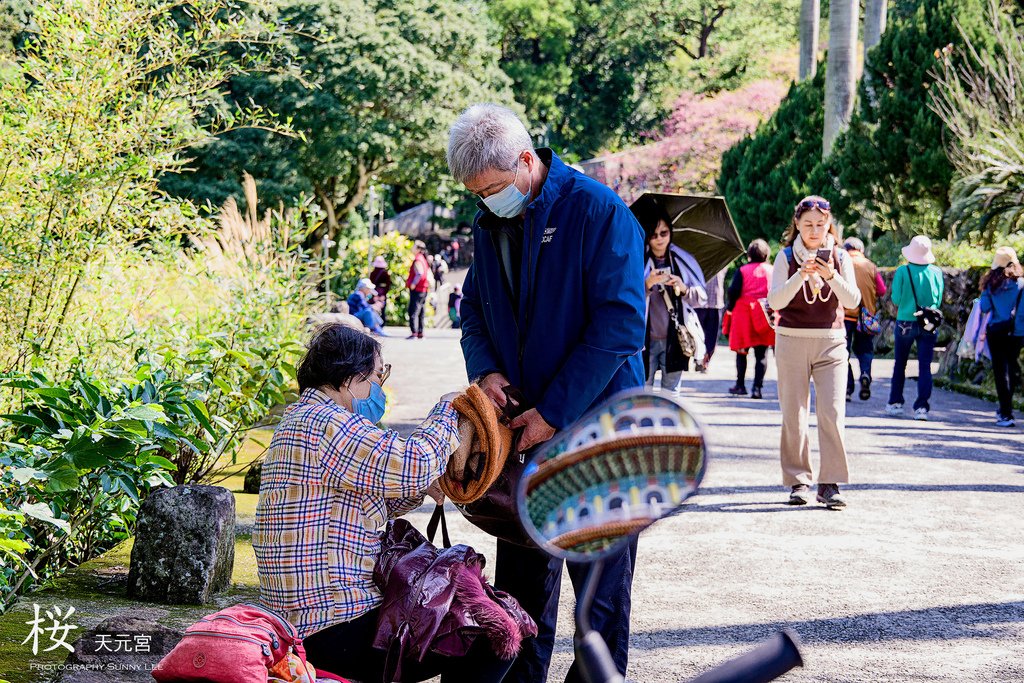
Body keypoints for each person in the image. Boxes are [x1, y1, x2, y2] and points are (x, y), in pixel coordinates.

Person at [447, 103, 646, 683]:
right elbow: (475, 312)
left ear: (527, 161)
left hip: (598, 430)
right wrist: (486, 372)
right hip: (522, 438)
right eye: (476, 193)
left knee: (599, 595)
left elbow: (620, 326)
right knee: (521, 594)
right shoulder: (490, 224)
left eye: (495, 187)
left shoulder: (598, 210)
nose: (487, 200)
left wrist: (553, 412)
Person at [253, 324, 512, 682]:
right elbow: (414, 462)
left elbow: (376, 497)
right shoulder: (329, 425)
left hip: (300, 622)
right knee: (493, 629)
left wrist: (425, 486)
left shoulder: (297, 422)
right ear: (349, 377)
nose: (379, 389)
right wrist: (448, 409)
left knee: (467, 623)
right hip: (334, 627)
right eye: (377, 376)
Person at [767, 196, 861, 509]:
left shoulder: (840, 256)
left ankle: (830, 483)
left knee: (832, 413)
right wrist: (801, 275)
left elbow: (852, 301)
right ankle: (798, 481)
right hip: (791, 340)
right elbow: (777, 302)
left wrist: (831, 274)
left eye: (820, 224)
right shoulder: (784, 256)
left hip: (831, 341)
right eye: (808, 224)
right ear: (796, 224)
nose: (814, 230)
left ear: (829, 225)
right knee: (794, 415)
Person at [631, 196, 708, 392]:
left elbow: (701, 298)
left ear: (670, 232)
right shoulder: (637, 259)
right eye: (653, 234)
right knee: (643, 390)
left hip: (675, 337)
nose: (659, 239)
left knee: (671, 393)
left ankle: (668, 425)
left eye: (663, 233)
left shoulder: (683, 259)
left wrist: (683, 288)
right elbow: (626, 297)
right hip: (644, 339)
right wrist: (647, 284)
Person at [886, 235, 944, 421]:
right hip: (928, 323)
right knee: (925, 366)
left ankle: (895, 403)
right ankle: (922, 408)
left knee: (900, 363)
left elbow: (895, 298)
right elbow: (939, 298)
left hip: (905, 321)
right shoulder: (936, 272)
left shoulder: (903, 271)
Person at [979, 246, 1024, 427]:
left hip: (997, 330)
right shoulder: (1021, 284)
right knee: (1012, 367)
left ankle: (1005, 412)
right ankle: (1007, 409)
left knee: (1000, 370)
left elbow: (984, 307)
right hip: (1017, 332)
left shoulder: (991, 283)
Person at [726, 239, 775, 399]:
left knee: (742, 351)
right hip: (764, 314)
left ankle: (740, 385)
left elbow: (733, 291)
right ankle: (757, 388)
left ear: (749, 254)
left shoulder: (743, 270)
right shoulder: (772, 270)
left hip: (744, 314)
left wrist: (730, 308)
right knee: (761, 354)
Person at [841, 237, 886, 402]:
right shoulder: (870, 266)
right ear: (861, 250)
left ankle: (847, 388)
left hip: (844, 315)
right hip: (866, 317)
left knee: (842, 352)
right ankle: (865, 373)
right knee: (865, 350)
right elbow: (881, 290)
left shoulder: (840, 263)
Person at [696, 269, 727, 372]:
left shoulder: (724, 260)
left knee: (712, 336)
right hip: (699, 302)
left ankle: (706, 361)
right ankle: (698, 358)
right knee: (697, 334)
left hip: (716, 303)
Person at [406, 240, 431, 339]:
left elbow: (419, 273)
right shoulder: (423, 259)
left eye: (414, 246)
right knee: (421, 311)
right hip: (424, 289)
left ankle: (414, 333)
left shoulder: (418, 259)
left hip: (418, 289)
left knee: (414, 310)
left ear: (418, 249)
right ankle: (420, 332)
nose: (412, 248)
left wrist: (413, 283)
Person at [369, 255, 392, 321]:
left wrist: (374, 295)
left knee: (373, 309)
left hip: (374, 293)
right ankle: (381, 323)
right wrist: (383, 295)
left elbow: (371, 285)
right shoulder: (386, 274)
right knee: (382, 310)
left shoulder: (373, 273)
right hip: (382, 294)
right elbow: (388, 285)